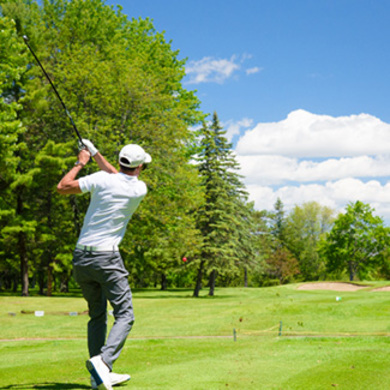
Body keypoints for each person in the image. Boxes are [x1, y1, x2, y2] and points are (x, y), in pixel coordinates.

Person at [57, 139, 151, 390]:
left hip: (81, 258)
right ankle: (104, 362)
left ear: (121, 161)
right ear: (139, 167)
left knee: (97, 314)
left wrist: (81, 161)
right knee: (125, 314)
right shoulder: (139, 189)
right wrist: (95, 154)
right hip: (107, 259)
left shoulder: (101, 179)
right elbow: (118, 176)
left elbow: (63, 186)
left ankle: (98, 377)